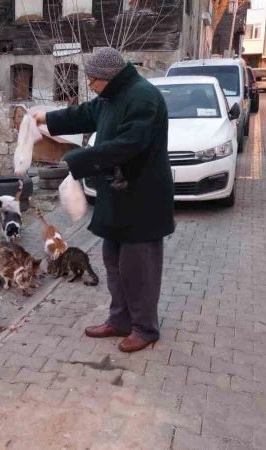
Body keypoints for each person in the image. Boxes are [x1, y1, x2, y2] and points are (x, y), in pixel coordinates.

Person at [32, 47, 174, 353]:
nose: (91, 84)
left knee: (139, 269)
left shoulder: (143, 97)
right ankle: (120, 320)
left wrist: (78, 159)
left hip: (143, 199)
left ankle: (145, 328)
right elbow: (85, 114)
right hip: (117, 195)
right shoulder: (111, 96)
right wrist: (45, 118)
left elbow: (129, 144)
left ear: (110, 77)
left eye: (94, 79)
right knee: (113, 262)